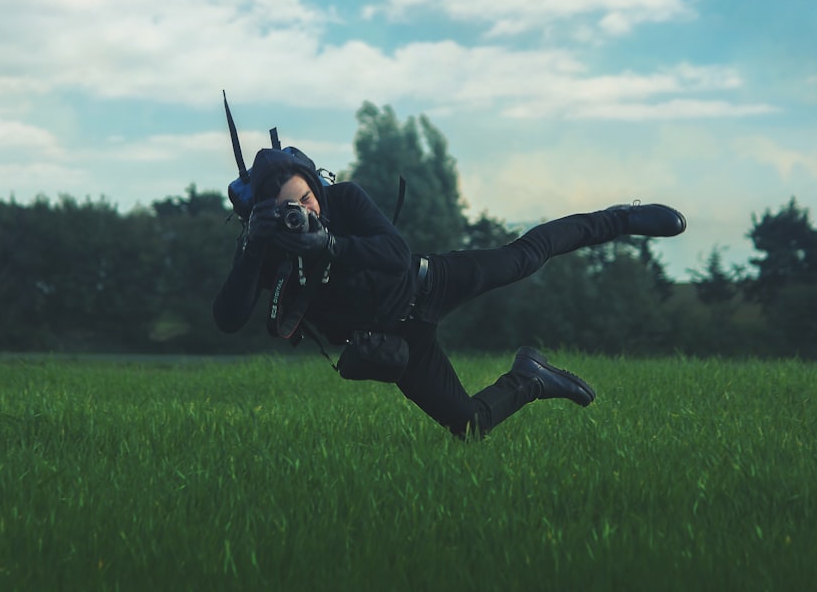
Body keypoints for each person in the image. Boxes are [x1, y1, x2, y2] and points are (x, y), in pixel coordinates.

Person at [213, 146, 686, 440]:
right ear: (263, 217)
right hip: (396, 344)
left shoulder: (346, 200)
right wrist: (254, 247)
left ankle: (620, 219)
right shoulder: (264, 248)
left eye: (306, 198)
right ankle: (531, 378)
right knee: (470, 427)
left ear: (318, 188)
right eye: (284, 210)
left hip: (428, 281)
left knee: (524, 257)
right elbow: (228, 318)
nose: (301, 212)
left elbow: (395, 253)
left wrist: (330, 244)